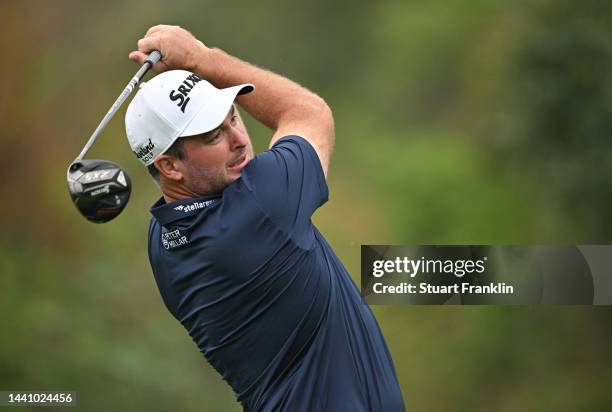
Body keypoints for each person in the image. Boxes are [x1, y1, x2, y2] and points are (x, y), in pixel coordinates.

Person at [125, 24, 405, 412]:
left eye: (233, 118)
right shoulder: (259, 208)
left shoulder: (163, 238)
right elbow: (309, 113)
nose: (239, 139)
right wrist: (201, 59)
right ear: (169, 166)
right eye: (212, 136)